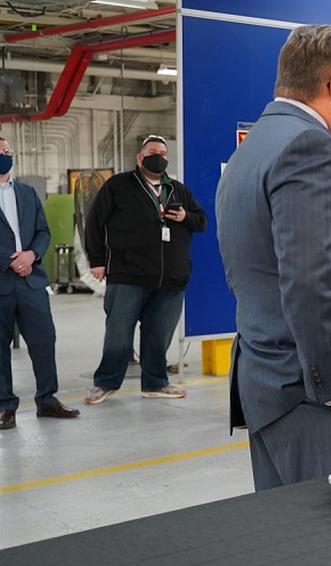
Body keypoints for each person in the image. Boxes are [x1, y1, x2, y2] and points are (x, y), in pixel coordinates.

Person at [215, 25, 331, 490]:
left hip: (268, 380)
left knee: (293, 539)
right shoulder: (310, 147)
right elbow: (310, 280)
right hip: (317, 399)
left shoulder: (253, 148)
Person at [83, 134, 206, 405]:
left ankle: (156, 383)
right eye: (153, 152)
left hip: (170, 278)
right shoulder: (118, 186)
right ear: (140, 157)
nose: (158, 156)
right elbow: (94, 223)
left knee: (158, 335)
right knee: (118, 334)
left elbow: (202, 221)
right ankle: (105, 383)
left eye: (163, 153)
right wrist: (97, 260)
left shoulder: (177, 190)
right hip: (128, 275)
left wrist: (186, 217)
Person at [0, 138, 79, 429]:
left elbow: (43, 231)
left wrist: (32, 255)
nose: (4, 155)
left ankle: (47, 400)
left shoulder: (27, 193)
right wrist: (11, 260)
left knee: (44, 340)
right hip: (3, 280)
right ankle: (5, 406)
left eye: (7, 151)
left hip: (31, 281)